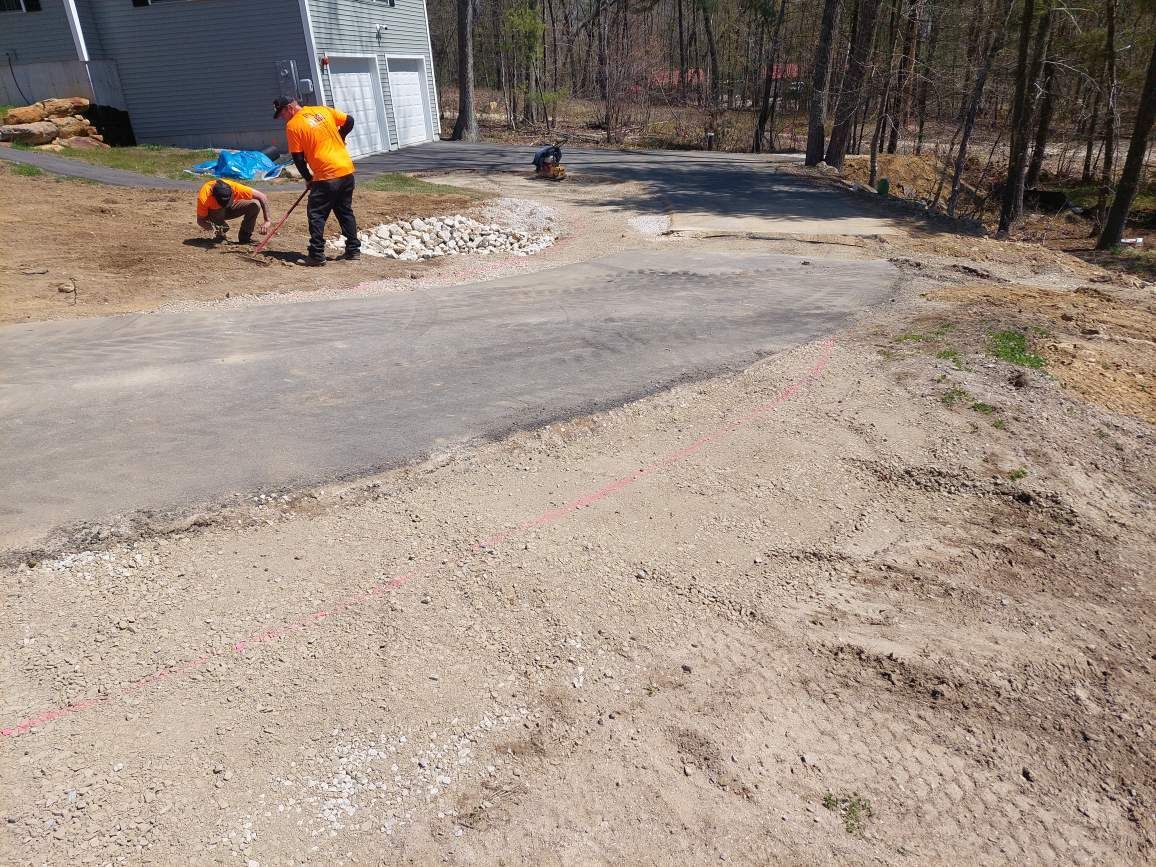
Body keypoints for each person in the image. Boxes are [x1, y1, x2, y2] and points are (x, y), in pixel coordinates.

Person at [273, 97, 360, 266]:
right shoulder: (323, 110)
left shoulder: (293, 126)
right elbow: (349, 120)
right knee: (345, 212)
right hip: (346, 170)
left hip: (326, 175)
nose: (282, 117)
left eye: (282, 113)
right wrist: (340, 136)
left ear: (290, 107)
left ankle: (316, 254)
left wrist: (308, 179)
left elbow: (298, 159)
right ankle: (353, 251)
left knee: (316, 214)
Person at [195, 178, 271, 244]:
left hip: (231, 208)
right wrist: (213, 228)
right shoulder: (204, 198)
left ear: (232, 192)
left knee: (254, 205)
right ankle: (220, 235)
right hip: (215, 213)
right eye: (222, 203)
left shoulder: (234, 187)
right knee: (223, 224)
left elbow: (262, 196)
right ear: (214, 196)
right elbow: (200, 220)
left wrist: (267, 220)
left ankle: (245, 238)